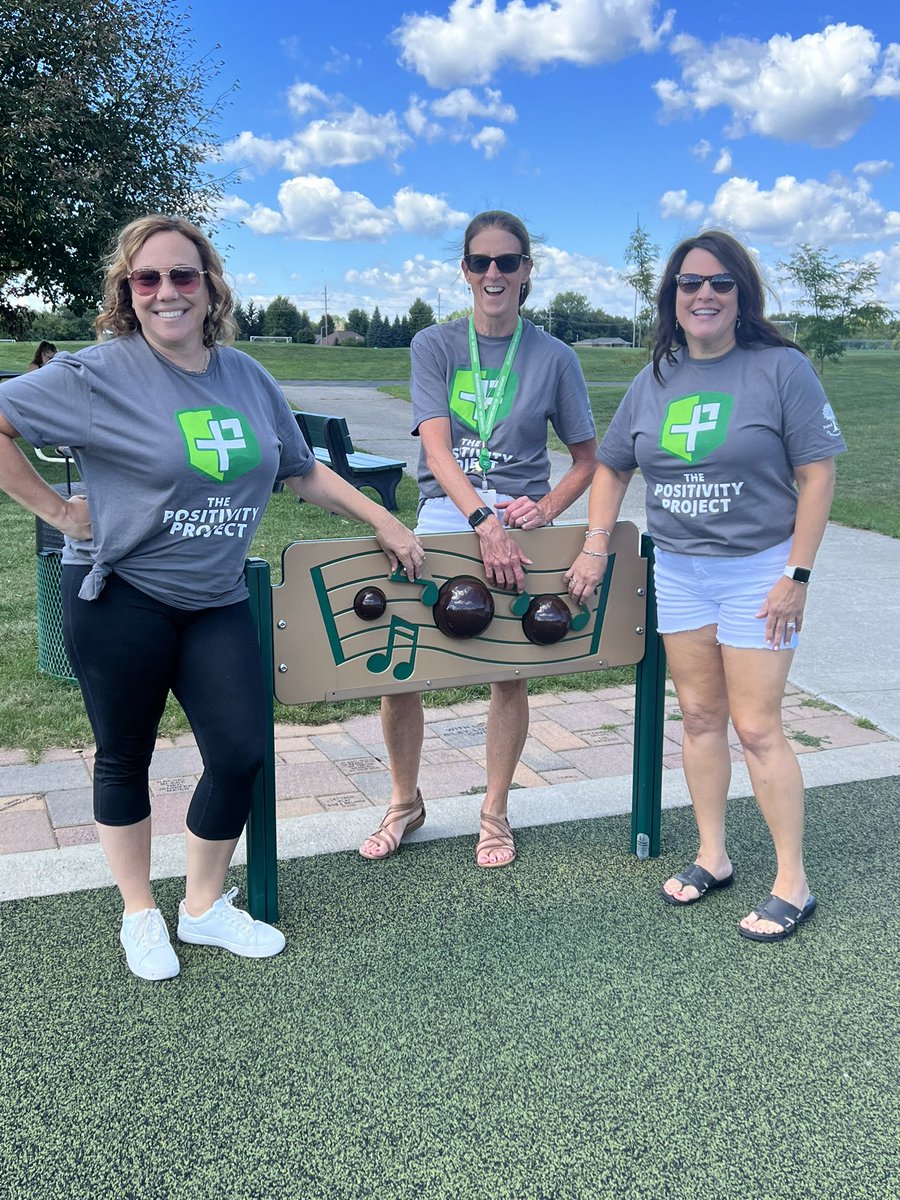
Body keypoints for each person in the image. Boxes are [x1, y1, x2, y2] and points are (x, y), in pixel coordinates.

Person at [0, 215, 423, 981]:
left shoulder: (246, 376)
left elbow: (299, 468)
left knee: (239, 753)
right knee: (124, 755)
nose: (166, 291)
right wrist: (59, 513)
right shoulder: (98, 373)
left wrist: (384, 518)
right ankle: (139, 912)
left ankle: (201, 907)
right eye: (147, 279)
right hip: (120, 593)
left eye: (182, 276)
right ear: (129, 292)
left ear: (210, 287)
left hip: (217, 597)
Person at [565, 229, 846, 942]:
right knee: (697, 718)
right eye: (690, 283)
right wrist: (596, 545)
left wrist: (797, 574)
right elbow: (612, 465)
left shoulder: (781, 369)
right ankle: (713, 856)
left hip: (759, 569)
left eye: (721, 283)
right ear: (673, 297)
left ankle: (792, 880)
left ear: (741, 293)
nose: (705, 294)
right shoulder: (654, 378)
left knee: (756, 726)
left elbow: (817, 474)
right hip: (682, 569)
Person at [359, 210, 598, 868]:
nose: (494, 274)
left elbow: (586, 459)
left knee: (510, 671)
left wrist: (543, 508)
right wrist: (480, 522)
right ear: (465, 271)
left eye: (508, 262)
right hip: (449, 511)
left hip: (521, 523)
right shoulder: (434, 345)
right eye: (481, 262)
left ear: (527, 272)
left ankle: (494, 810)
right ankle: (405, 801)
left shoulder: (555, 356)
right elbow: (436, 451)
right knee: (397, 662)